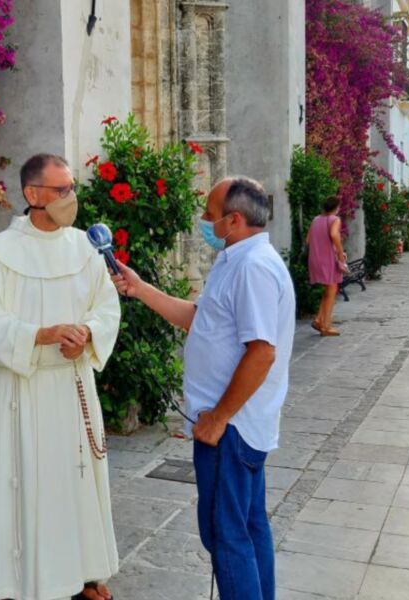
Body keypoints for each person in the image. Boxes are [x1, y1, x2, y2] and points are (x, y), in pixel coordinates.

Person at [111, 177, 295, 600]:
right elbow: (201, 319)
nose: (204, 221)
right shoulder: (236, 260)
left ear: (234, 220)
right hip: (236, 426)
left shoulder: (252, 268)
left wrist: (218, 417)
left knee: (226, 535)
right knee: (248, 527)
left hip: (231, 429)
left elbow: (261, 352)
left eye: (210, 215)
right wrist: (140, 289)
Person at [0, 153, 121, 600]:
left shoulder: (85, 248)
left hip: (72, 384)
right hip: (24, 388)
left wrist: (86, 335)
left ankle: (83, 573)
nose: (70, 197)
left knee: (77, 485)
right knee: (31, 486)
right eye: (60, 190)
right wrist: (41, 335)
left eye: (72, 187)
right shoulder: (0, 253)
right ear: (32, 194)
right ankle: (26, 579)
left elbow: (106, 307)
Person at [306, 197, 347, 336]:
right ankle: (326, 326)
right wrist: (340, 252)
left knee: (328, 289)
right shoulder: (335, 219)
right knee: (332, 289)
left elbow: (308, 239)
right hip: (328, 258)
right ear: (336, 207)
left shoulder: (316, 220)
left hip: (315, 258)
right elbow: (334, 234)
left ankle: (319, 319)